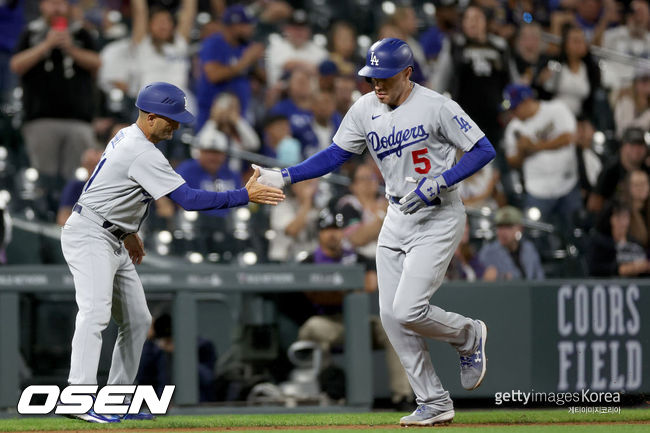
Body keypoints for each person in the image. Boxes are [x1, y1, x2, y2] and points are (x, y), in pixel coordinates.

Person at [254, 38, 496, 426]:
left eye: (384, 77)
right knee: (390, 315)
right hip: (396, 215)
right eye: (371, 77)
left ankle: (467, 334)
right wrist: (284, 175)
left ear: (407, 73)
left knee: (408, 309)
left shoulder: (437, 106)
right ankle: (433, 401)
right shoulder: (366, 107)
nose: (377, 84)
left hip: (438, 214)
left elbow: (484, 149)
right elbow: (335, 154)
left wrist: (442, 180)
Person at [60, 82, 284, 423]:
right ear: (150, 118)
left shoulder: (129, 136)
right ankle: (78, 396)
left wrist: (129, 230)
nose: (177, 125)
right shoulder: (142, 150)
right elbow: (189, 200)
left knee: (138, 320)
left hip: (111, 234)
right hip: (91, 234)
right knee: (95, 313)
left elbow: (110, 185)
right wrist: (242, 194)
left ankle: (115, 400)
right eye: (171, 119)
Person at [296, 208, 413, 410]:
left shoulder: (355, 257)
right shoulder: (309, 261)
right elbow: (314, 294)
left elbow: (369, 284)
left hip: (354, 320)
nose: (333, 234)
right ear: (319, 234)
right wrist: (347, 289)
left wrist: (335, 289)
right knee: (314, 327)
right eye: (327, 229)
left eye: (337, 229)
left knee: (391, 327)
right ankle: (329, 393)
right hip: (325, 322)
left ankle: (402, 396)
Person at [10, 0, 101, 196]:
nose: (57, 8)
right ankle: (41, 218)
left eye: (61, 3)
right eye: (52, 3)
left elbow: (97, 63)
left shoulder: (80, 33)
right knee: (42, 180)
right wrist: (46, 45)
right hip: (41, 120)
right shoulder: (32, 32)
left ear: (68, 7)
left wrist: (71, 48)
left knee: (76, 180)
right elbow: (16, 64)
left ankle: (69, 219)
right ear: (42, 6)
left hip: (79, 121)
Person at [503, 83, 582, 232]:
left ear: (527, 101)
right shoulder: (514, 128)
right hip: (537, 190)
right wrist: (522, 151)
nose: (513, 113)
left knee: (576, 231)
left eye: (515, 108)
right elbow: (512, 162)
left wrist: (534, 147)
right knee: (534, 235)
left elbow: (568, 138)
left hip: (567, 185)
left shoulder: (556, 109)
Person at [196, 4, 264, 131]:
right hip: (212, 117)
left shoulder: (246, 46)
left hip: (239, 117)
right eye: (246, 25)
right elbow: (214, 75)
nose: (251, 29)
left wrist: (255, 62)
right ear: (233, 26)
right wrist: (245, 61)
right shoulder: (213, 43)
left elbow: (264, 79)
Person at [588, 127, 650, 214]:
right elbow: (594, 204)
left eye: (640, 145)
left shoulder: (647, 168)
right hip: (618, 219)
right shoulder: (610, 170)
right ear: (623, 147)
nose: (637, 149)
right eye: (632, 144)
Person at [477, 206, 545, 280]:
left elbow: (540, 279)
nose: (503, 232)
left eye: (508, 226)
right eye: (500, 226)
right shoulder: (488, 252)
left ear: (520, 228)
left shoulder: (529, 248)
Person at [588, 199, 650, 277]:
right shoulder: (600, 243)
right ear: (610, 218)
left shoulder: (636, 244)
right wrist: (622, 270)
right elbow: (594, 269)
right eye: (618, 217)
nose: (623, 222)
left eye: (625, 216)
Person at [56, 147, 103, 226]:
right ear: (84, 165)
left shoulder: (108, 189)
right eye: (89, 165)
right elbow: (62, 218)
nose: (93, 170)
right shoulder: (76, 186)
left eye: (97, 166)